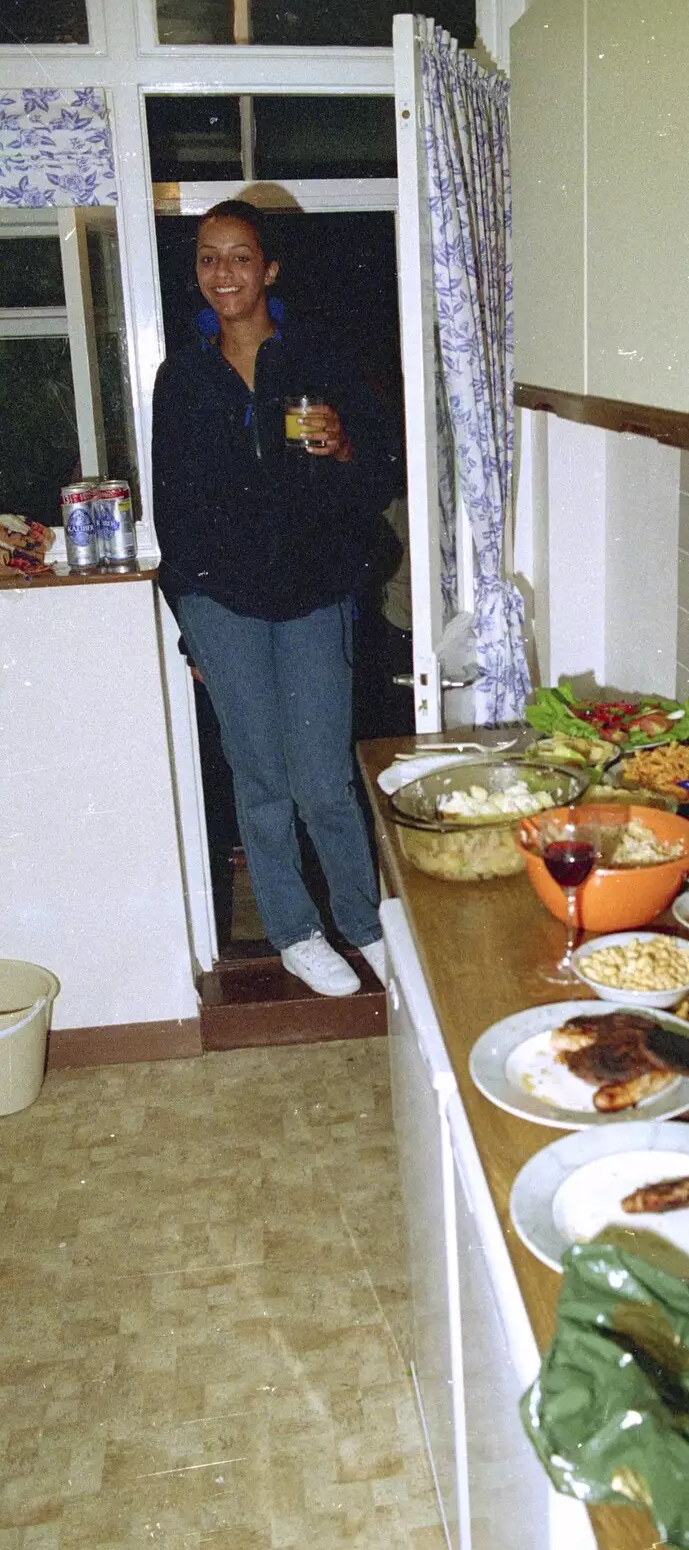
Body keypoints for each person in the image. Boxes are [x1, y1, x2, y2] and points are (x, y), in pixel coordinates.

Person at [152, 200, 399, 995]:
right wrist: (191, 626)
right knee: (259, 779)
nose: (221, 274)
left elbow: (380, 477)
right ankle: (295, 931)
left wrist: (346, 446)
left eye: (238, 257)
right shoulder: (182, 376)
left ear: (269, 269)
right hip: (222, 603)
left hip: (313, 591)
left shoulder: (321, 357)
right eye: (207, 258)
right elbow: (174, 507)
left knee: (324, 778)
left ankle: (364, 923)